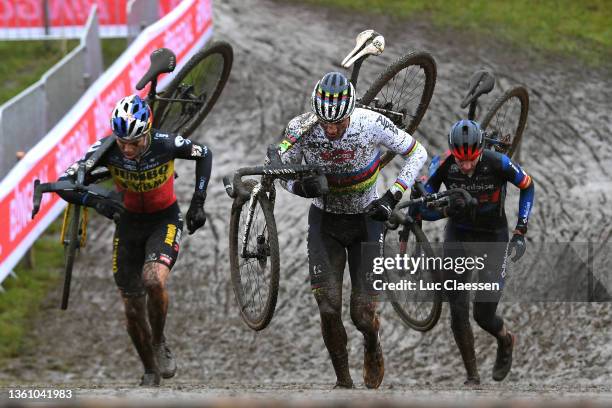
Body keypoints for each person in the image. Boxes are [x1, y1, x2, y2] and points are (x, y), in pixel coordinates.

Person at [278, 72, 428, 389]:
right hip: (325, 222)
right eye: (325, 123)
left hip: (367, 222)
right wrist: (300, 187)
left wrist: (393, 195)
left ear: (351, 112)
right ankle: (343, 382)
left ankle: (372, 341)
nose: (331, 129)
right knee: (328, 307)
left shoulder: (371, 122)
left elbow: (418, 152)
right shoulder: (299, 128)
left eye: (339, 123)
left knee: (361, 315)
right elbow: (280, 171)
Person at [57, 94, 212, 386]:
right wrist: (100, 202)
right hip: (127, 225)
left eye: (135, 142)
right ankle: (149, 370)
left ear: (148, 132)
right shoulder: (104, 150)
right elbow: (66, 184)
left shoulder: (166, 143)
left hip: (164, 219)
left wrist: (198, 202)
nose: (127, 149)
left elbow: (204, 153)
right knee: (131, 307)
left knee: (153, 280)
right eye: (121, 142)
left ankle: (159, 340)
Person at [419, 119, 535, 385]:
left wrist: (520, 230)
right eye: (462, 160)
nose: (467, 166)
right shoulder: (444, 165)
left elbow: (528, 186)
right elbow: (422, 207)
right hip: (459, 235)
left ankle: (505, 338)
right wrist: (446, 209)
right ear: (453, 153)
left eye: (472, 159)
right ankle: (472, 376)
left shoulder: (497, 163)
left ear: (481, 150)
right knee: (457, 309)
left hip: (493, 236)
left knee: (483, 315)